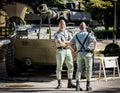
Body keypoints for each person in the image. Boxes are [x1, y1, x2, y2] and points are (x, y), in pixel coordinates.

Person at [70, 22, 96, 91]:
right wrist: (93, 49)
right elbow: (95, 41)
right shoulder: (88, 34)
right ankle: (88, 86)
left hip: (79, 54)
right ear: (85, 27)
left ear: (79, 27)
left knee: (79, 70)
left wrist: (74, 50)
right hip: (87, 54)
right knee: (88, 69)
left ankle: (77, 86)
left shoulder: (76, 35)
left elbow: (70, 43)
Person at [54, 19, 75, 89]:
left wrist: (64, 42)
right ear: (58, 25)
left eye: (63, 24)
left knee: (71, 67)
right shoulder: (57, 34)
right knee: (59, 68)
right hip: (60, 51)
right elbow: (60, 44)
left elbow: (72, 42)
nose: (62, 26)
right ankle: (59, 84)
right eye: (61, 24)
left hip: (68, 51)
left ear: (65, 25)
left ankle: (70, 83)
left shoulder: (68, 32)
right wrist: (67, 42)